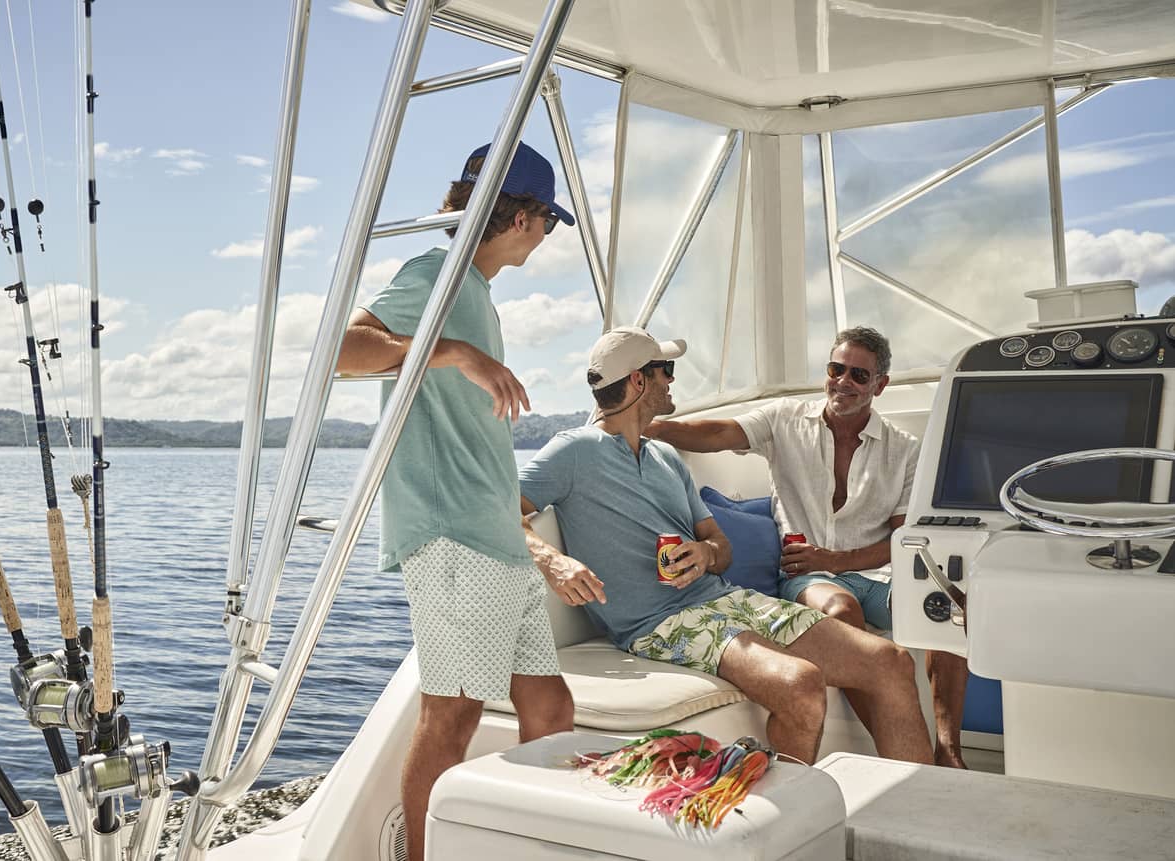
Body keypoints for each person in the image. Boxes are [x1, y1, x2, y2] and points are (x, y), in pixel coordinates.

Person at [519, 326, 933, 767]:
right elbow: (499, 510)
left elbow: (720, 545)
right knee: (801, 684)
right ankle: (787, 828)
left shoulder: (665, 458)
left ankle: (923, 811)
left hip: (725, 598)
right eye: (666, 371)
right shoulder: (574, 451)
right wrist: (552, 560)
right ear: (639, 381)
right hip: (658, 622)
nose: (672, 381)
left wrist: (706, 554)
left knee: (890, 662)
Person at [335, 141, 577, 861]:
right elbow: (346, 350)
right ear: (526, 217)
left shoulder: (474, 290)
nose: (547, 236)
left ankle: (540, 842)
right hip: (453, 538)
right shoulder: (437, 274)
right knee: (452, 712)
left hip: (494, 537)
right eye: (550, 222)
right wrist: (453, 352)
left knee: (550, 706)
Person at [647, 326, 970, 768]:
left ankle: (949, 749)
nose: (844, 382)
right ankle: (896, 751)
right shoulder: (784, 419)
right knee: (839, 610)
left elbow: (901, 541)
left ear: (880, 385)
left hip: (877, 572)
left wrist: (835, 559)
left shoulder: (906, 450)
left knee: (945, 614)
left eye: (859, 375)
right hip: (807, 577)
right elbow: (714, 433)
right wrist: (644, 426)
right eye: (837, 369)